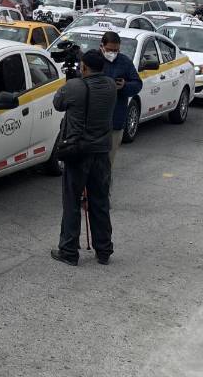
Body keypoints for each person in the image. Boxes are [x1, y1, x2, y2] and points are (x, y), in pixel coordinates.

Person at [51, 49, 117, 266]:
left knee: (72, 202)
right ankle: (104, 250)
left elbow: (58, 103)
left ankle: (69, 251)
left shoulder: (75, 86)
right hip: (102, 152)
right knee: (100, 202)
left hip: (78, 152)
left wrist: (70, 81)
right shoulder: (111, 85)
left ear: (84, 67)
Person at [100, 31, 142, 168]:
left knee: (107, 163)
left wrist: (125, 86)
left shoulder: (125, 62)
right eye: (109, 50)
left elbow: (137, 84)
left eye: (116, 50)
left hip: (115, 120)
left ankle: (105, 182)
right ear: (102, 46)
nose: (112, 53)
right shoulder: (94, 60)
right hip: (94, 122)